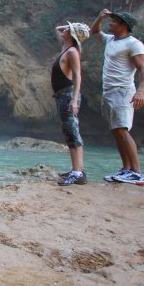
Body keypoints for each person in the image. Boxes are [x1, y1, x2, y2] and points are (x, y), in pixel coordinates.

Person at [89, 9, 144, 185]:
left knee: (122, 129)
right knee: (116, 131)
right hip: (108, 91)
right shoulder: (111, 39)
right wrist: (99, 17)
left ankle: (137, 172)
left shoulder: (134, 44)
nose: (111, 23)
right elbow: (94, 32)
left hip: (123, 91)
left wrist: (141, 91)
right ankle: (126, 169)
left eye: (114, 21)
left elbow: (143, 70)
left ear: (124, 25)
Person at [53, 21, 90, 186]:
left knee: (73, 133)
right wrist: (71, 29)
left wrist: (74, 100)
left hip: (68, 96)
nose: (64, 29)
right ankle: (78, 170)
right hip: (62, 96)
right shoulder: (66, 48)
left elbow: (77, 76)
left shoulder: (72, 51)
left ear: (72, 35)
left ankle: (77, 173)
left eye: (68, 29)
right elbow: (57, 29)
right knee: (70, 132)